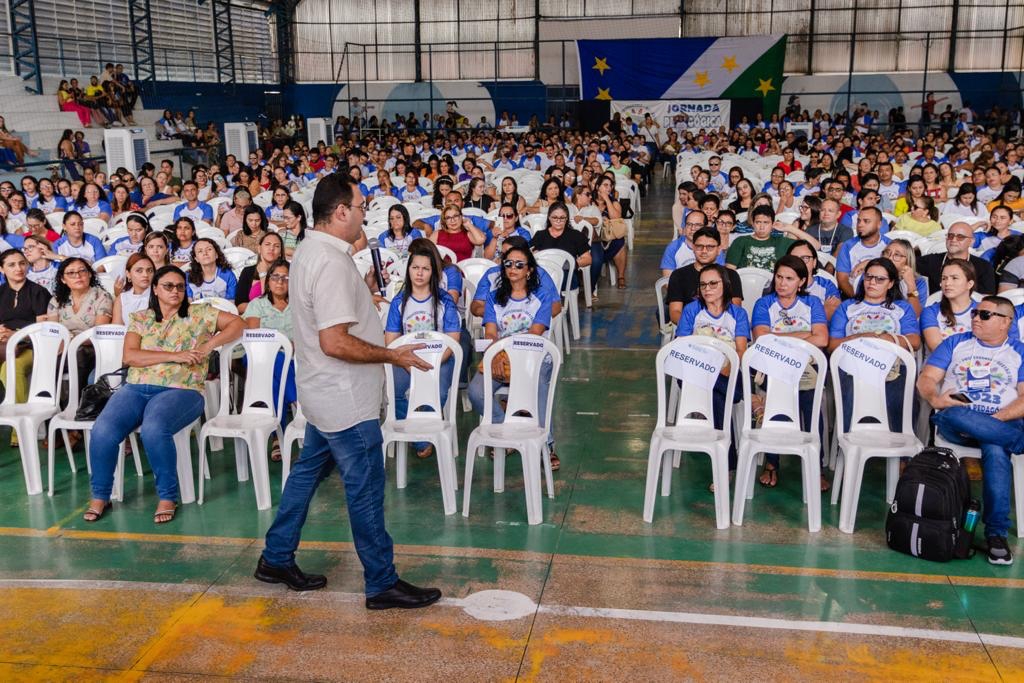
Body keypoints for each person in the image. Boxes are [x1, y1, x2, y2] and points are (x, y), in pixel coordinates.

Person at [257, 175, 441, 608]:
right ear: (340, 211)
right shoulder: (331, 263)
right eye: (359, 206)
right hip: (345, 400)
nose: (364, 213)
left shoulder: (308, 251)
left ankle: (276, 556)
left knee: (305, 475)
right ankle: (381, 582)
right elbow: (334, 341)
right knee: (366, 489)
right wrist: (391, 356)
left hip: (322, 395)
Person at [84, 265, 243, 524]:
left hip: (182, 389)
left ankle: (168, 496)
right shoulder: (140, 318)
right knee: (103, 428)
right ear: (155, 289)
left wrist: (209, 344)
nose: (175, 291)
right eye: (168, 286)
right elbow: (130, 356)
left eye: (180, 286)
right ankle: (100, 495)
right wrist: (175, 356)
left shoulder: (199, 313)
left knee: (154, 428)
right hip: (136, 387)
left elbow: (238, 323)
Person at [919, 295, 1024, 566]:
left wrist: (994, 422)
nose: (976, 318)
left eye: (985, 315)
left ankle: (996, 534)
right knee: (954, 413)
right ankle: (1018, 441)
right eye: (976, 313)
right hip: (957, 419)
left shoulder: (1019, 351)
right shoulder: (955, 343)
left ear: (1005, 323)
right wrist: (935, 399)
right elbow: (927, 379)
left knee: (995, 448)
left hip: (1001, 422)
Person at [468, 241, 560, 468]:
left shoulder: (541, 297)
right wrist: (496, 355)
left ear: (529, 270)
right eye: (508, 264)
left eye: (519, 265)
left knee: (538, 388)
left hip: (533, 359)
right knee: (476, 392)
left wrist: (507, 356)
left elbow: (534, 335)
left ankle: (545, 445)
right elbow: (490, 332)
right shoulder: (494, 298)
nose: (513, 268)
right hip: (501, 358)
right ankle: (506, 433)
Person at [750, 255, 829, 488]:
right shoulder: (764, 304)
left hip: (806, 368)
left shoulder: (812, 303)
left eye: (789, 278)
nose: (782, 283)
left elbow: (822, 338)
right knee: (776, 406)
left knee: (812, 409)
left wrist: (780, 338)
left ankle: (816, 464)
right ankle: (772, 462)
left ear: (801, 282)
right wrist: (805, 335)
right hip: (773, 367)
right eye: (779, 277)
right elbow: (763, 339)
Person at [383, 239, 461, 459]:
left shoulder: (445, 301)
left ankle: (420, 432)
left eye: (425, 269)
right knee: (393, 393)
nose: (419, 273)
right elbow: (391, 341)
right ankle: (421, 440)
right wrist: (407, 362)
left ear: (433, 273)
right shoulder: (399, 301)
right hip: (406, 360)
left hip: (440, 359)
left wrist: (433, 365)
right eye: (415, 268)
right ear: (408, 270)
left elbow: (453, 339)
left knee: (439, 392)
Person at [828, 257, 921, 433]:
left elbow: (914, 342)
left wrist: (886, 339)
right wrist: (864, 337)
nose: (872, 282)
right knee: (850, 386)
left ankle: (900, 454)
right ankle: (850, 445)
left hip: (892, 368)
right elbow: (833, 345)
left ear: (891, 283)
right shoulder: (848, 307)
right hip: (854, 366)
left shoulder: (902, 308)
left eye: (880, 279)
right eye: (869, 277)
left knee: (902, 389)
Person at [675, 262, 749, 481]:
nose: (707, 289)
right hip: (694, 374)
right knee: (727, 396)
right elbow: (683, 346)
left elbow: (741, 350)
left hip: (728, 372)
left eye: (713, 283)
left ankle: (725, 465)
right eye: (703, 285)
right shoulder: (692, 310)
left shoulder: (737, 313)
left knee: (718, 400)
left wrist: (727, 366)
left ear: (724, 285)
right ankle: (727, 465)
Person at [242, 259, 295, 461]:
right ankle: (297, 400)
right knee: (275, 361)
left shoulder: (299, 305)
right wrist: (282, 345)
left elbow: (305, 336)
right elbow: (254, 336)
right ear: (268, 280)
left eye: (286, 278)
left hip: (293, 358)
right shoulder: (257, 304)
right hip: (260, 357)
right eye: (275, 277)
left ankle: (276, 435)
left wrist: (290, 348)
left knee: (274, 381)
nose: (280, 282)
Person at [46, 257, 113, 383]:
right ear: (63, 279)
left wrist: (71, 340)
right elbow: (53, 331)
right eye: (71, 273)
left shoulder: (102, 296)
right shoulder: (56, 300)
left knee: (78, 354)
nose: (78, 276)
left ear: (89, 275)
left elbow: (99, 333)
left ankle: (77, 400)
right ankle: (47, 399)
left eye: (82, 271)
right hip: (63, 346)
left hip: (91, 347)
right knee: (44, 354)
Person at [0, 248, 53, 406]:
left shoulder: (38, 293)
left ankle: (18, 427)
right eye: (12, 265)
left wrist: (16, 335)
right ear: (1, 269)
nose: (18, 268)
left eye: (22, 263)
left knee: (11, 369)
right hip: (3, 345)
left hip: (31, 347)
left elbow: (44, 330)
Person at [666, 227, 743, 322]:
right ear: (693, 248)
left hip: (723, 330)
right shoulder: (679, 275)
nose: (704, 251)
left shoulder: (731, 275)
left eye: (710, 247)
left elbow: (735, 309)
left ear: (719, 249)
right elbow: (675, 312)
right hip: (690, 330)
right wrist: (695, 328)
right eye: (699, 246)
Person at [917, 221, 997, 294]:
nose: (954, 240)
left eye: (960, 237)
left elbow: (986, 298)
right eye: (950, 236)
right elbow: (907, 262)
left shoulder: (983, 267)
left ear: (971, 241)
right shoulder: (931, 261)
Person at [530, 201, 591, 292]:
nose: (558, 220)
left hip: (566, 274)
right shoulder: (540, 235)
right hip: (544, 273)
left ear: (567, 219)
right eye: (555, 217)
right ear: (549, 218)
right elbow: (531, 254)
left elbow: (588, 259)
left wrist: (569, 264)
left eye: (562, 218)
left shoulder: (575, 235)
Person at [921, 259, 977, 352]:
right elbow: (937, 349)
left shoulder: (982, 311)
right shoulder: (930, 312)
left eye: (954, 278)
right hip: (940, 365)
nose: (947, 283)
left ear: (969, 284)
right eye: (944, 278)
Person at [836, 207, 891, 297]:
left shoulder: (889, 245)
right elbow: (842, 280)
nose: (860, 225)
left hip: (883, 296)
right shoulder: (847, 246)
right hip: (853, 295)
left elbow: (895, 273)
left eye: (866, 221)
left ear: (879, 224)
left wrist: (868, 262)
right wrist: (857, 299)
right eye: (858, 221)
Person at [725, 205, 792, 271]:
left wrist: (789, 228)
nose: (762, 227)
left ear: (772, 224)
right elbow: (730, 271)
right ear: (753, 224)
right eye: (758, 222)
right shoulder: (740, 241)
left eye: (766, 222)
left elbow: (802, 245)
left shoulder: (781, 242)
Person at [235, 232, 284, 313]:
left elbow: (277, 305)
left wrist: (263, 275)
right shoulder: (248, 271)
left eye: (276, 246)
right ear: (259, 248)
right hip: (252, 318)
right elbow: (240, 305)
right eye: (267, 244)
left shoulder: (286, 272)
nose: (271, 248)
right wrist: (261, 309)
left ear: (280, 252)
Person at [111, 253, 154, 325]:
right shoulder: (122, 298)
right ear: (128, 274)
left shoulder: (160, 295)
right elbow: (117, 330)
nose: (145, 275)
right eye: (139, 271)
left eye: (149, 270)